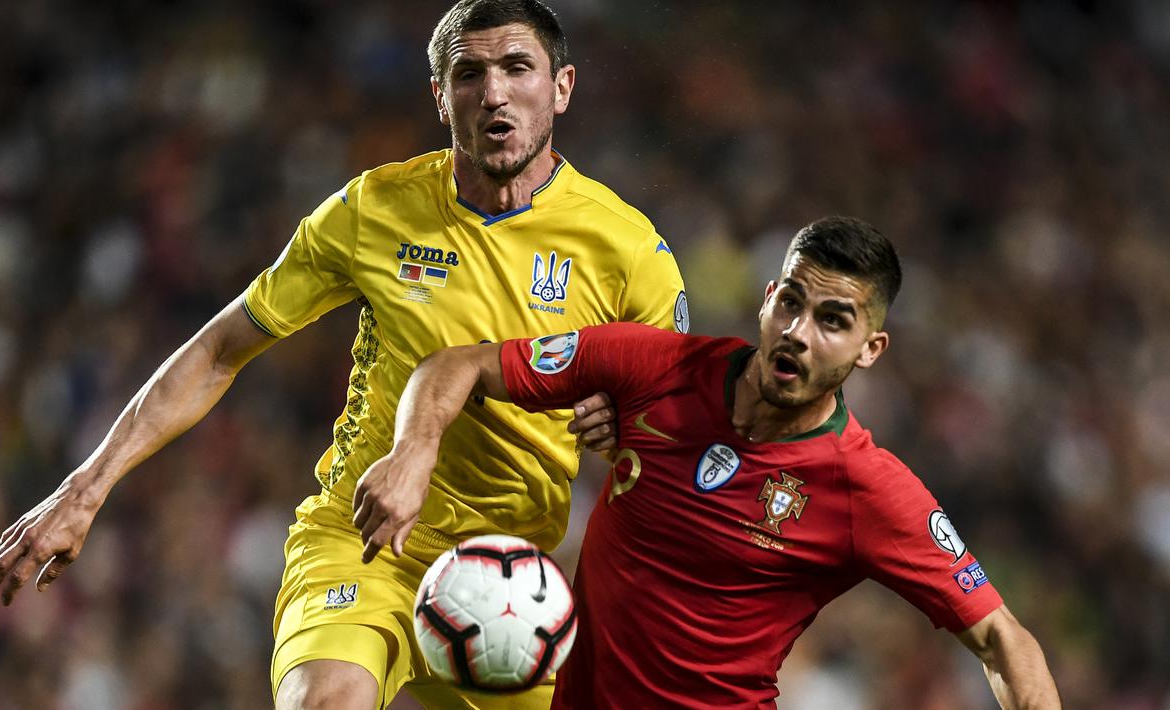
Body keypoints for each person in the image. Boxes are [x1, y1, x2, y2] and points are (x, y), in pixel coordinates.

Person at [0, 1, 687, 708]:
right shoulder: (373, 209)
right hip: (361, 546)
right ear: (440, 98)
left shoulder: (628, 253)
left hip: (510, 581)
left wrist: (629, 423)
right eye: (468, 73)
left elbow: (684, 436)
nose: (494, 92)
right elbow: (221, 349)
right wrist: (86, 490)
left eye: (516, 68)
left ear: (561, 87)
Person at [354, 216, 1061, 709]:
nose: (796, 332)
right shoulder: (650, 367)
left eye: (832, 321)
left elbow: (1003, 639)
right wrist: (412, 453)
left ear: (869, 349)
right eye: (790, 301)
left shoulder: (865, 488)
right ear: (767, 298)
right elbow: (461, 364)